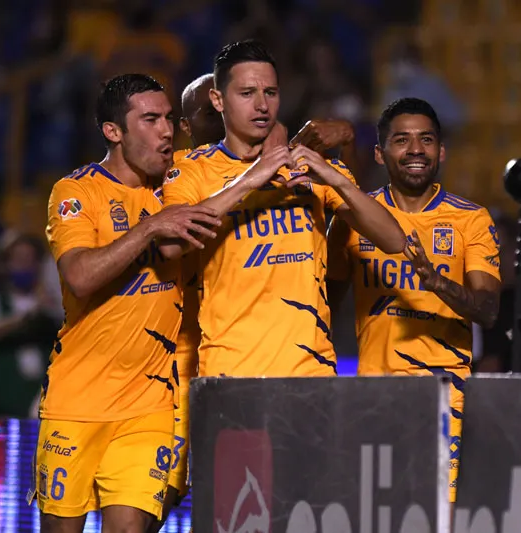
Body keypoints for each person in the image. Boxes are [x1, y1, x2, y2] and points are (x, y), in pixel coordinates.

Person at [154, 69, 366, 530]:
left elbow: (350, 230)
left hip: (259, 356)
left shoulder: (284, 170)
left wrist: (343, 146)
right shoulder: (183, 174)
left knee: (287, 503)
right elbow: (170, 243)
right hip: (186, 361)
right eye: (207, 111)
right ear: (190, 124)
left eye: (266, 94)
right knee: (165, 501)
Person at [28, 74, 223, 533]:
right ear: (113, 131)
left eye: (169, 119)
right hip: (77, 400)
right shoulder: (76, 192)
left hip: (149, 404)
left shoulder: (179, 183)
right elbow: (80, 277)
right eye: (150, 120)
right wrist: (151, 228)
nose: (166, 131)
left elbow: (239, 164)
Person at [161, 39, 405, 376]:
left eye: (271, 93)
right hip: (232, 371)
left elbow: (394, 240)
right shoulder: (191, 170)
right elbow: (171, 246)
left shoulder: (310, 166)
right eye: (247, 93)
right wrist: (250, 179)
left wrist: (338, 180)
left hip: (312, 370)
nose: (262, 105)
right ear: (218, 100)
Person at [327, 98, 502, 505]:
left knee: (440, 517)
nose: (416, 150)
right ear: (379, 153)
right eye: (402, 140)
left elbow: (488, 310)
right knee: (380, 515)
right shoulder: (353, 219)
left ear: (441, 151)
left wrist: (438, 283)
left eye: (426, 139)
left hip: (446, 401)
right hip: (373, 398)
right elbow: (324, 306)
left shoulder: (471, 220)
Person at [0, 232, 61, 418]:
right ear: (6, 264)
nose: (25, 265)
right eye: (19, 259)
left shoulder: (51, 302)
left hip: (45, 404)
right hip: (5, 405)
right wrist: (27, 315)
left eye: (30, 259)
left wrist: (49, 305)